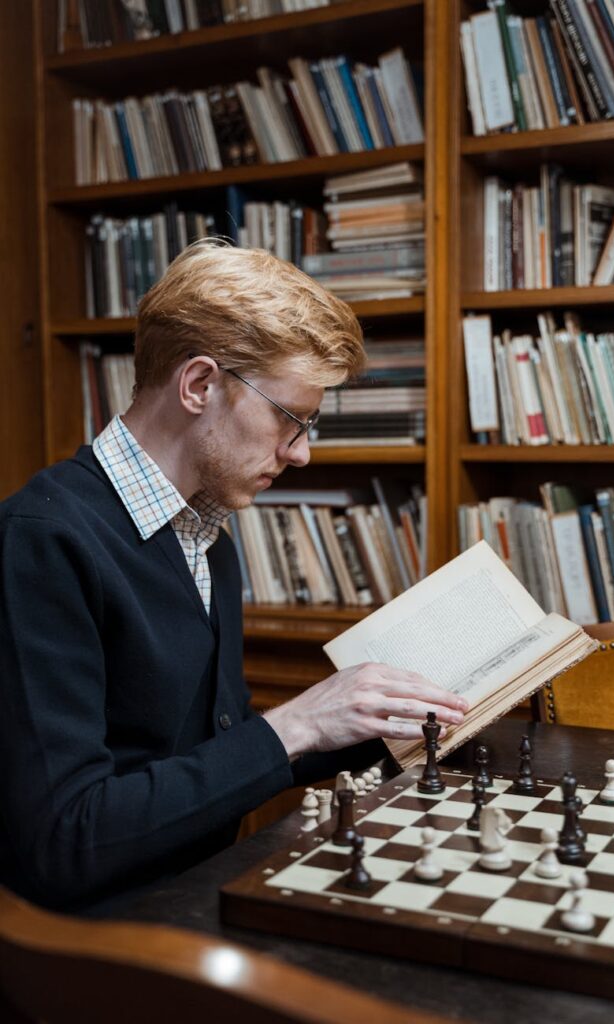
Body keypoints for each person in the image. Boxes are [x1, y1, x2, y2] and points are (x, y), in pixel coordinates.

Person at [0, 240, 468, 914]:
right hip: (97, 941)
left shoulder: (205, 529)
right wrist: (300, 724)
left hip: (198, 897)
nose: (301, 453)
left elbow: (211, 748)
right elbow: (67, 840)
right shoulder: (40, 541)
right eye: (289, 417)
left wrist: (371, 718)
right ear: (198, 385)